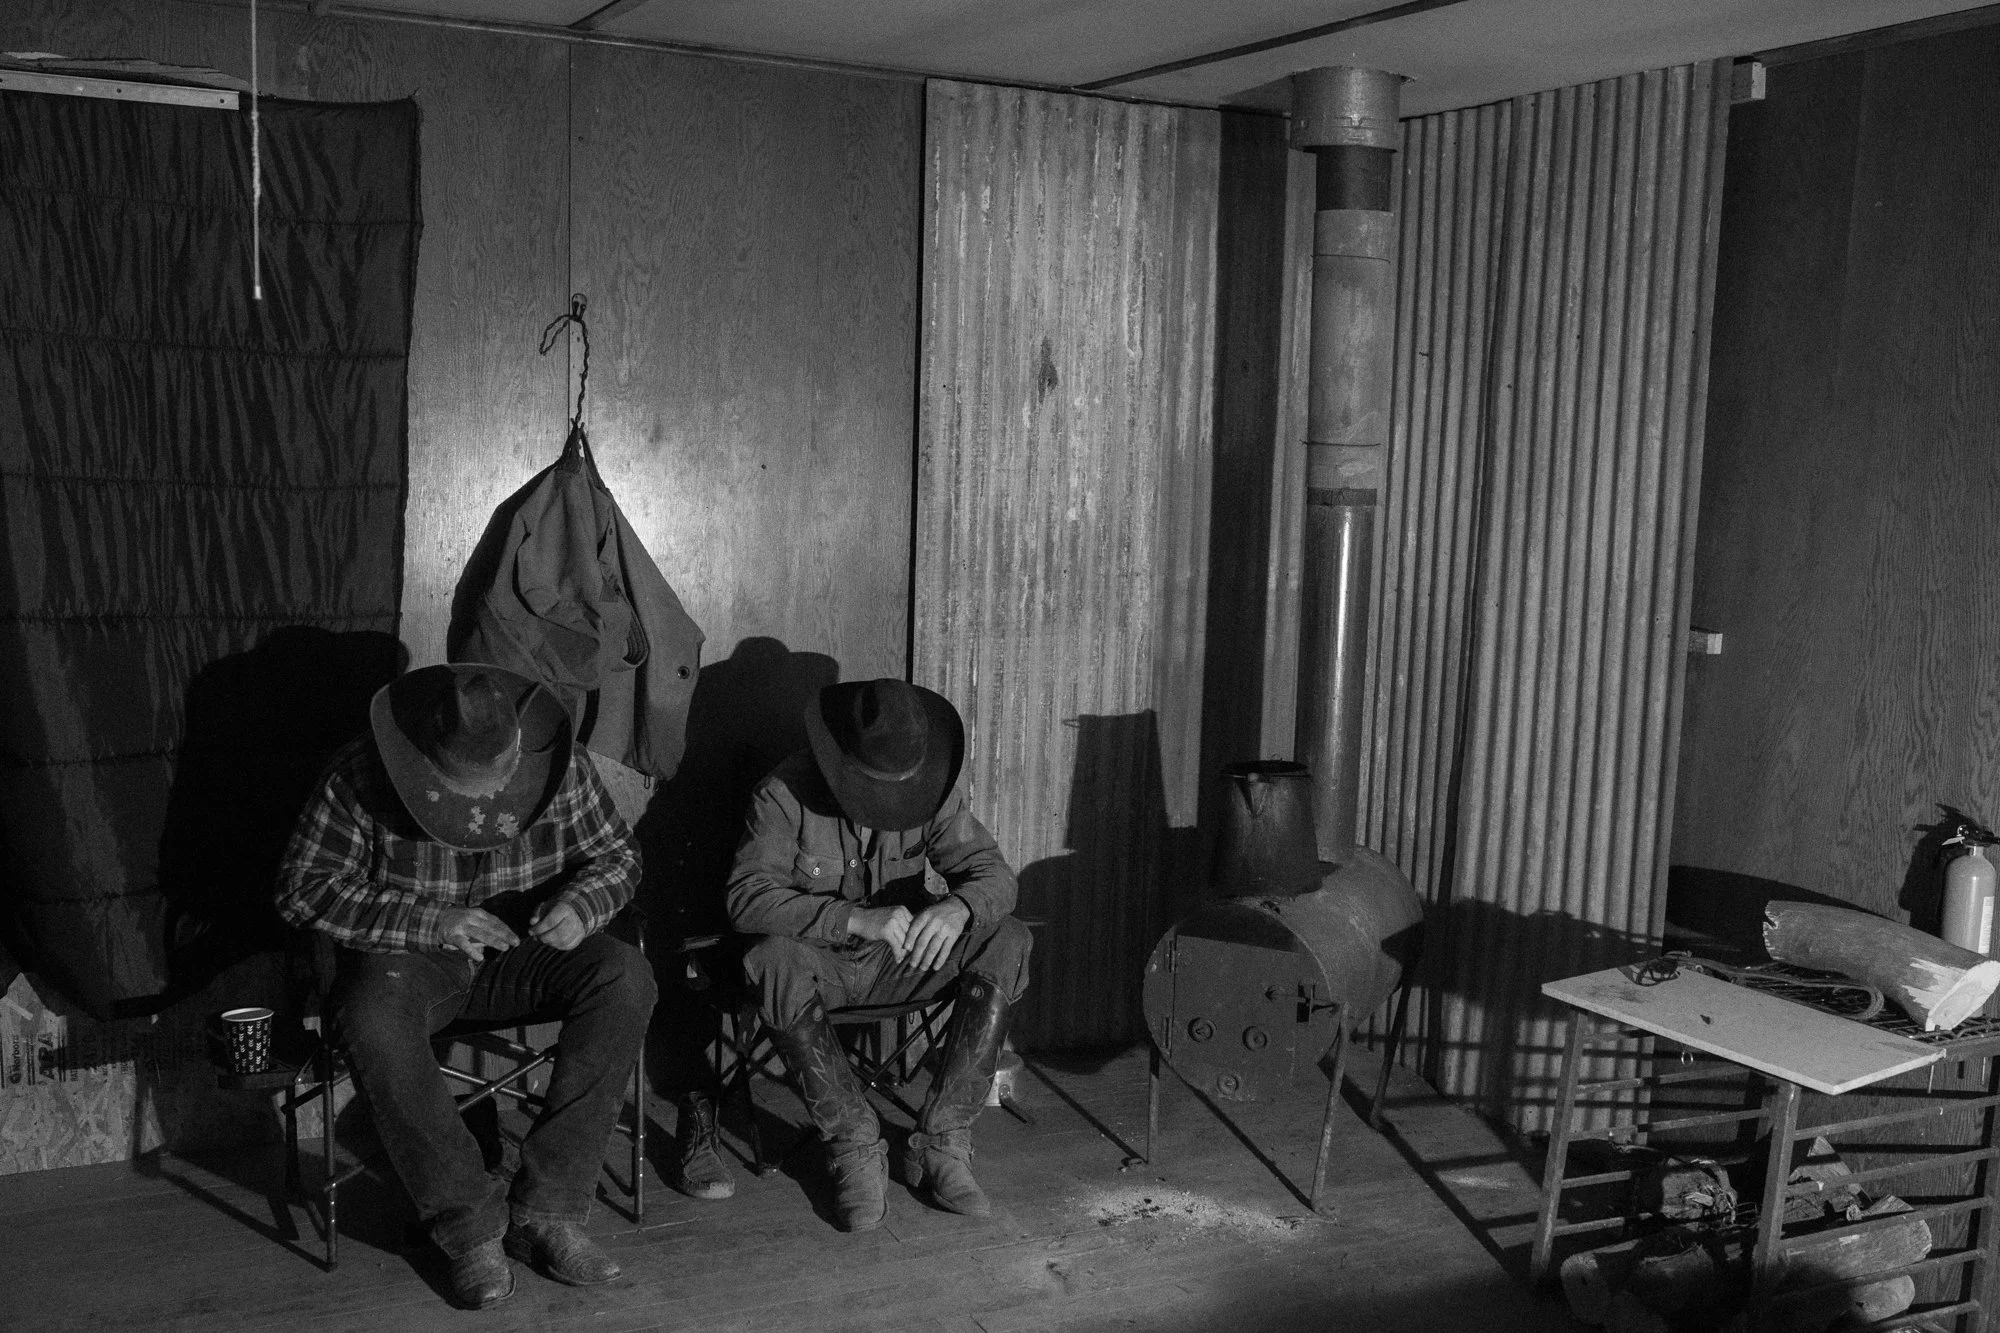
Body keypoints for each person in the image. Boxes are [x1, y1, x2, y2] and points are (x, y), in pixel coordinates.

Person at [277, 663, 655, 1309]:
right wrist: (431, 921)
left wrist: (582, 905)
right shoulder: (359, 774)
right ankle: (472, 1226)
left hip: (527, 948)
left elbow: (620, 857)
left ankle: (550, 1210)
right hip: (418, 958)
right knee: (366, 1012)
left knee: (626, 975)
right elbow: (301, 888)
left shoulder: (563, 765)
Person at [727, 678, 1031, 1231]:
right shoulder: (782, 792)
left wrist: (959, 908)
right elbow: (745, 898)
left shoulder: (934, 786)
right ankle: (852, 1143)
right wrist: (852, 919)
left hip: (904, 960)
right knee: (769, 957)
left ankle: (941, 1140)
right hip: (823, 965)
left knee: (1007, 937)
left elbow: (996, 877)